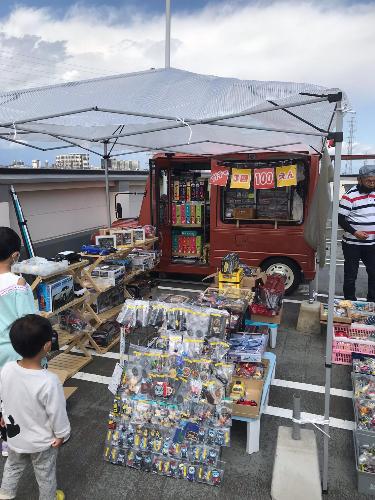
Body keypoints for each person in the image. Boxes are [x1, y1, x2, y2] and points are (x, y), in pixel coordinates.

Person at [0, 315, 70, 500]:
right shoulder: (49, 381)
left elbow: (3, 394)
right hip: (42, 442)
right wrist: (62, 434)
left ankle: (5, 494)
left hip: (15, 436)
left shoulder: (6, 369)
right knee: (45, 475)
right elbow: (57, 413)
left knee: (13, 467)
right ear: (47, 346)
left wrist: (3, 413)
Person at [0, 227, 35, 457]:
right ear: (14, 255)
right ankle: (14, 440)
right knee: (16, 397)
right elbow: (27, 324)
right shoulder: (18, 284)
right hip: (14, 351)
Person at [338, 165, 375, 301]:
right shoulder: (349, 196)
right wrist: (355, 232)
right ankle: (349, 302)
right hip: (352, 244)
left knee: (373, 272)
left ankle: (372, 302)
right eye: (369, 181)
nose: (372, 184)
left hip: (372, 244)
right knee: (351, 275)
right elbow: (340, 218)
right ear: (360, 180)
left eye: (374, 181)